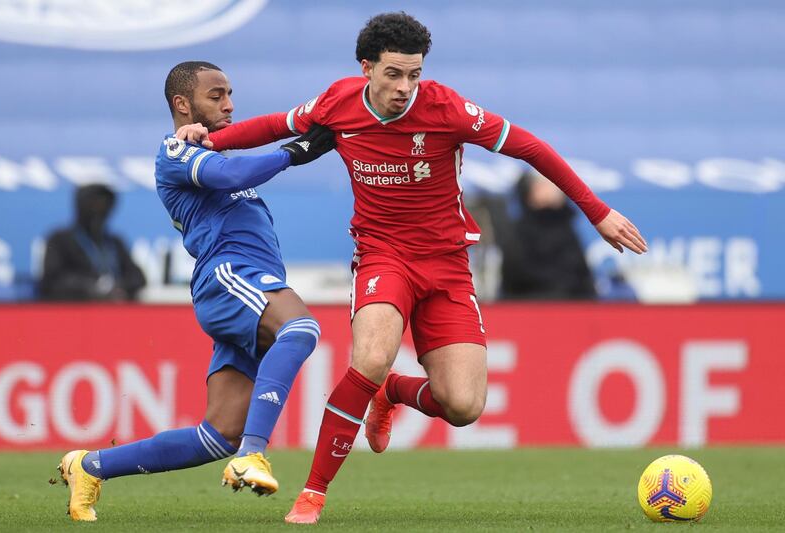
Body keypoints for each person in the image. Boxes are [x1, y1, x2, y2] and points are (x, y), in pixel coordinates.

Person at [179, 12, 648, 524]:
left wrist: (597, 211)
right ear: (367, 69)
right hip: (383, 254)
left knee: (463, 406)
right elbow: (277, 126)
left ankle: (394, 392)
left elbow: (529, 146)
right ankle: (313, 493)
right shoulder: (338, 102)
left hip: (447, 264)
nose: (405, 88)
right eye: (394, 74)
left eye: (414, 74)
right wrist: (208, 142)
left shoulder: (446, 109)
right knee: (372, 356)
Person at [57, 61, 336, 521]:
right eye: (216, 95)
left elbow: (242, 156)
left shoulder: (210, 153)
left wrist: (308, 131)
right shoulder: (174, 150)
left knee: (215, 434)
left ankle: (89, 466)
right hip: (229, 276)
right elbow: (230, 178)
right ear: (182, 104)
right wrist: (294, 153)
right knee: (300, 328)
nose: (228, 104)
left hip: (242, 286)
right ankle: (252, 453)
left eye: (230, 94)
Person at [498, 169, 598, 300]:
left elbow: (583, 277)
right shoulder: (519, 232)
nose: (554, 191)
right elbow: (513, 279)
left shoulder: (567, 229)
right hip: (528, 308)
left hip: (572, 308)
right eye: (544, 186)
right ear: (529, 192)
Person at [39, 183, 146, 301]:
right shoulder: (60, 240)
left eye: (105, 205)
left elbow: (138, 277)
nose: (100, 210)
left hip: (115, 311)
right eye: (94, 204)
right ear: (81, 205)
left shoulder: (114, 242)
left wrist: (118, 287)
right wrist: (91, 287)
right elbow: (52, 281)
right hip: (75, 311)